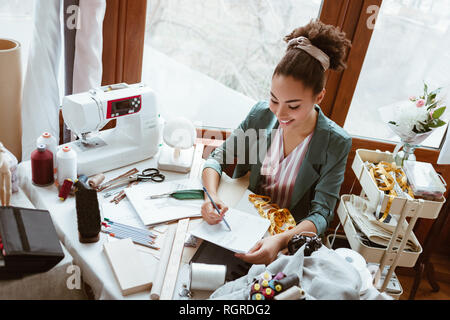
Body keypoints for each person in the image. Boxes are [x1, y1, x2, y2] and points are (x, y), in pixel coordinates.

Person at [201, 19, 353, 265]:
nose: (280, 114)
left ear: (319, 97)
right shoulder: (261, 115)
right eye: (274, 99)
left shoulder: (335, 143)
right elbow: (218, 158)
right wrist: (211, 197)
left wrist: (281, 240)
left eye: (293, 106)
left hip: (289, 241)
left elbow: (322, 214)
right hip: (241, 227)